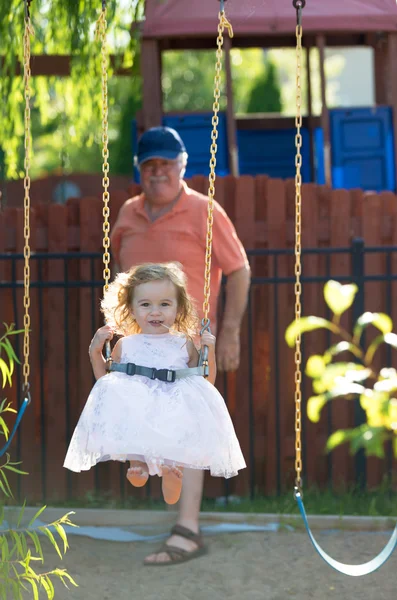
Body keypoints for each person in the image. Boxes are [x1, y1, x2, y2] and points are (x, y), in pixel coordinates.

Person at [110, 126, 251, 565]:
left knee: (189, 430)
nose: (157, 173)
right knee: (138, 422)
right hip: (138, 346)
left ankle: (187, 528)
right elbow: (120, 277)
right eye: (149, 165)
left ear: (181, 165)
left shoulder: (205, 211)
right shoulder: (128, 213)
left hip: (187, 346)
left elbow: (240, 269)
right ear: (140, 169)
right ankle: (150, 478)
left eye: (165, 164)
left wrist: (228, 332)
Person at [63, 263, 246, 506]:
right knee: (136, 444)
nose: (155, 312)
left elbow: (205, 382)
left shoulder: (184, 343)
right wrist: (94, 351)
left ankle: (171, 473)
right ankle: (137, 466)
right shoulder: (125, 345)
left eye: (164, 304)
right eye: (146, 304)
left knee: (173, 457)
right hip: (138, 410)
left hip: (172, 409)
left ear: (178, 307)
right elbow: (108, 384)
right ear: (132, 308)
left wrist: (209, 350)